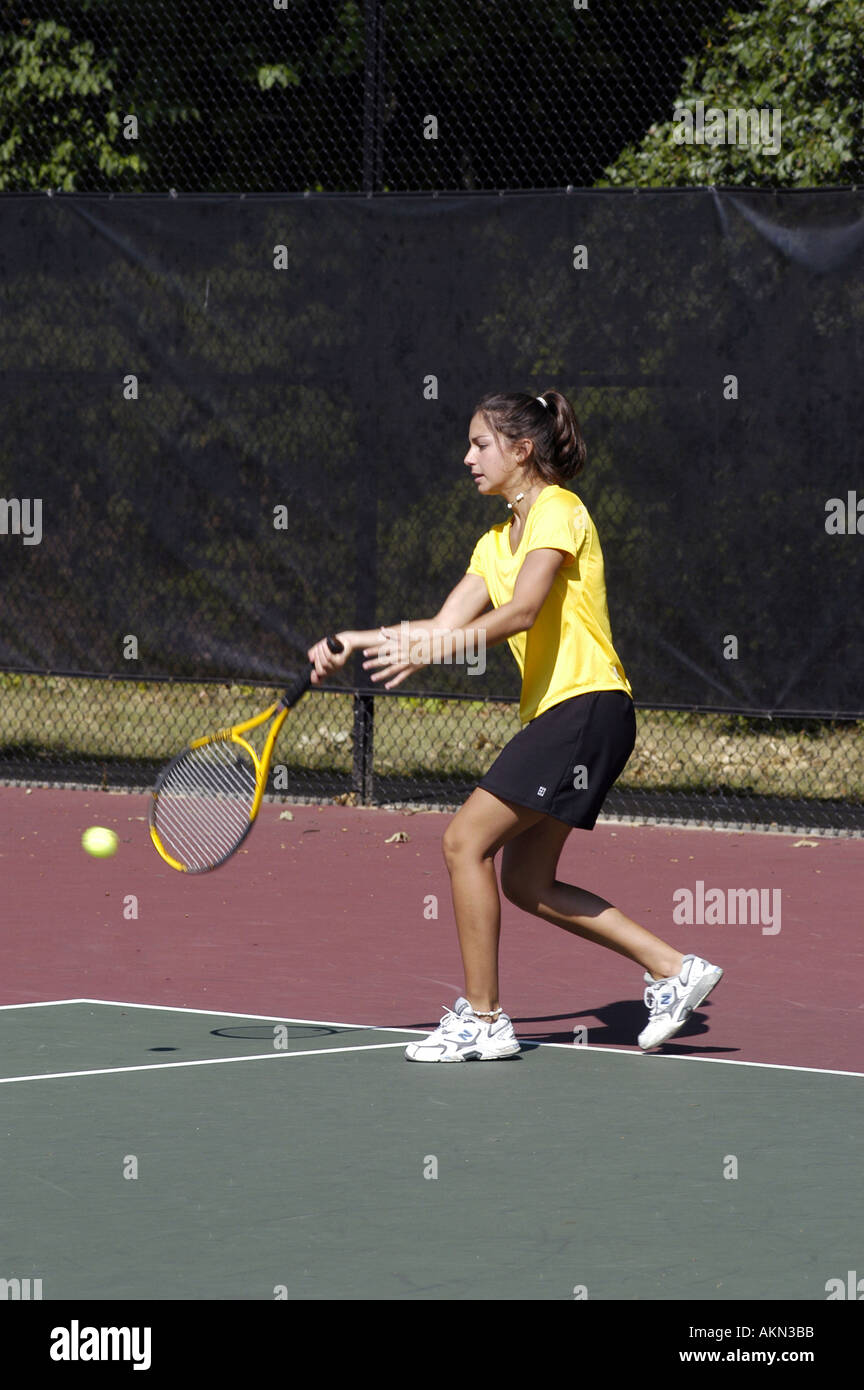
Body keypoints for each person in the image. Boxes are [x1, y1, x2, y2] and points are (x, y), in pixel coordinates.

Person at [308, 389, 722, 1061]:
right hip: (572, 716)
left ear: (522, 449)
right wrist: (353, 638)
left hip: (586, 707)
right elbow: (444, 626)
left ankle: (484, 1019)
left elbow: (525, 610)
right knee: (528, 884)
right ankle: (674, 969)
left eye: (480, 444)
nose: (467, 457)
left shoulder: (560, 510)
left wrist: (434, 650)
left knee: (463, 842)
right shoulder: (493, 543)